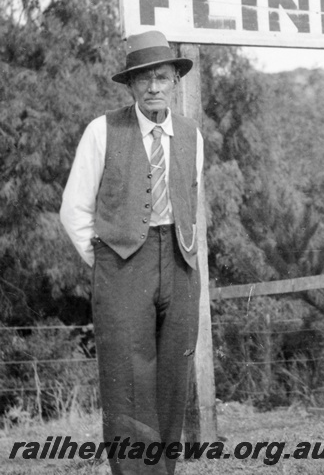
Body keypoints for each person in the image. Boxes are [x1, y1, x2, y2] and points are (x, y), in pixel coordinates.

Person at [60, 30, 203, 475]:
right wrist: (108, 259)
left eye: (162, 77)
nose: (154, 87)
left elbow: (190, 202)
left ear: (175, 81)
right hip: (121, 265)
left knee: (172, 385)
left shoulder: (191, 135)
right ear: (130, 85)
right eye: (144, 79)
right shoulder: (102, 130)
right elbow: (74, 210)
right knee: (126, 384)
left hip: (179, 263)